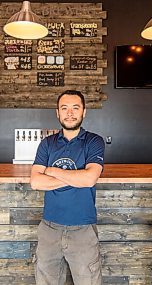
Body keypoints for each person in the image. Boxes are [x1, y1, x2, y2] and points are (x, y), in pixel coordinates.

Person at [30, 90, 105, 285]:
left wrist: (52, 171)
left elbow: (90, 179)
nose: (69, 113)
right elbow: (36, 182)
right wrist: (76, 177)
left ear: (84, 112)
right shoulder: (47, 144)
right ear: (58, 112)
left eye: (75, 108)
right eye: (64, 108)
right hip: (49, 228)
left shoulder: (94, 141)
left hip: (83, 228)